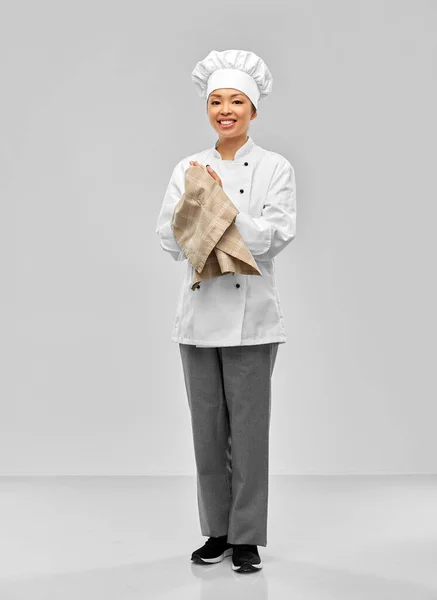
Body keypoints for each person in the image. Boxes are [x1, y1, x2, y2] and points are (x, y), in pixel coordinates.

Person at [155, 49, 297, 574]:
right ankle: (216, 530)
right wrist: (209, 216)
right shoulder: (188, 168)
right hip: (197, 317)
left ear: (254, 110)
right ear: (207, 109)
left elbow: (275, 237)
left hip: (253, 316)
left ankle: (247, 537)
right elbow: (170, 239)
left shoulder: (274, 167)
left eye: (237, 100)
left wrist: (219, 210)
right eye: (216, 101)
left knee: (251, 428)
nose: (226, 109)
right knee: (207, 429)